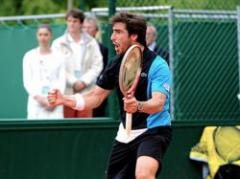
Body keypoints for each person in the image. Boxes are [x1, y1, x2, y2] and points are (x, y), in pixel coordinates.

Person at [48, 12, 172, 179]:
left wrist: (138, 106)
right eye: (113, 31)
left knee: (143, 175)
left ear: (134, 36)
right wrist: (65, 99)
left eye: (118, 32)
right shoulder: (116, 63)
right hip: (126, 132)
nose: (112, 37)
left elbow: (158, 103)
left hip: (154, 130)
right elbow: (95, 97)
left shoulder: (158, 65)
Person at [52, 9, 103, 118]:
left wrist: (84, 81)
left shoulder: (91, 42)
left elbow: (97, 65)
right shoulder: (58, 43)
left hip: (87, 91)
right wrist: (74, 82)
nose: (71, 24)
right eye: (69, 21)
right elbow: (57, 67)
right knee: (68, 125)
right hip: (67, 91)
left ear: (81, 23)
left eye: (74, 21)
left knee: (85, 124)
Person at [23, 24, 66, 119]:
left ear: (51, 36)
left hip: (55, 103)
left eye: (46, 35)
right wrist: (40, 99)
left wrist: (53, 101)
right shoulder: (29, 56)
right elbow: (27, 82)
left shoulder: (59, 56)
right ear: (37, 36)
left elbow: (62, 80)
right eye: (40, 34)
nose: (43, 38)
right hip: (36, 103)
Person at [83, 15, 109, 117]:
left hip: (95, 93)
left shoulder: (103, 50)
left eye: (89, 28)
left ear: (96, 31)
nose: (86, 30)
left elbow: (104, 72)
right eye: (84, 27)